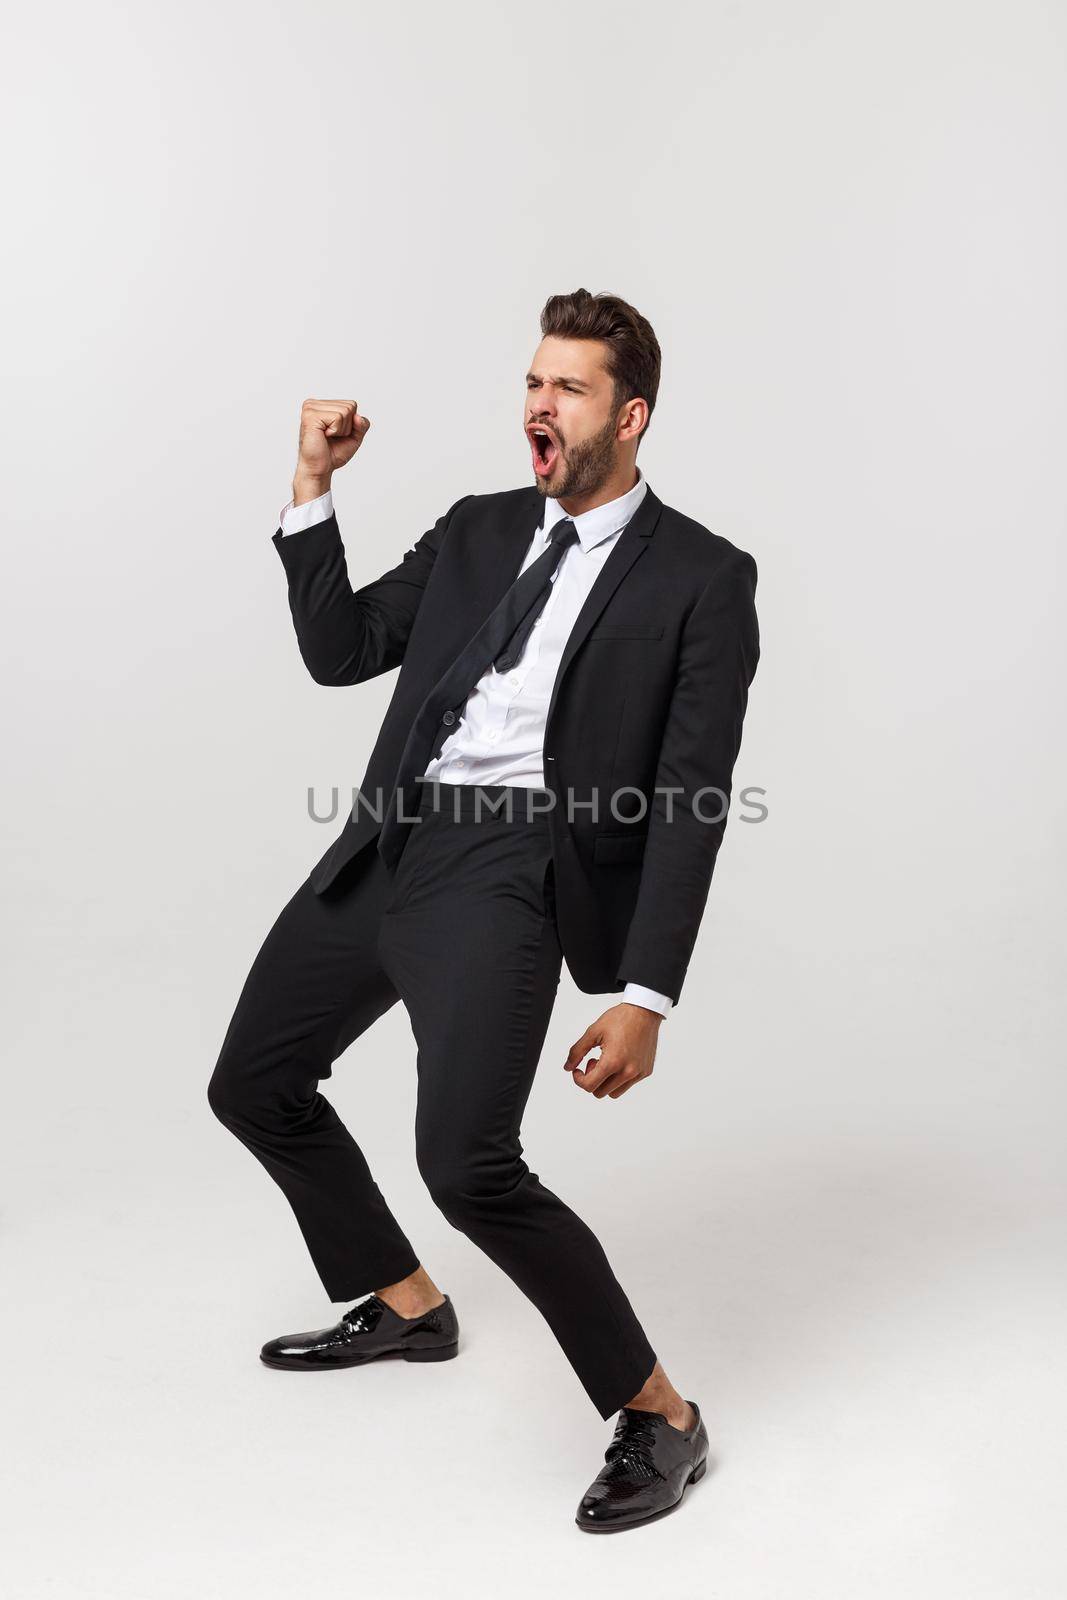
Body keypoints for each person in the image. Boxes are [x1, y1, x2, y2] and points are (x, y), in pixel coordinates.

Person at [208, 288, 760, 1532]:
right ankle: (405, 1302)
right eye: (529, 382)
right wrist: (311, 484)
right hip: (393, 839)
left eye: (564, 389)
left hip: (516, 870)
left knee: (466, 1164)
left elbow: (691, 799)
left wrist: (644, 996)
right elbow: (341, 649)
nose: (535, 406)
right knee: (254, 1081)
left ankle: (658, 1411)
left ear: (631, 417)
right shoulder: (474, 528)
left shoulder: (700, 579)